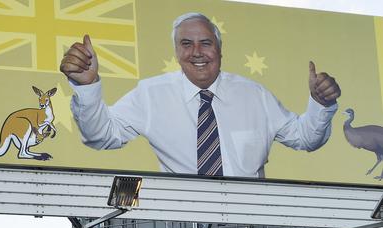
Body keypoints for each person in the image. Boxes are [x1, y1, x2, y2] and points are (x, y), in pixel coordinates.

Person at [59, 12, 341, 178]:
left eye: (205, 43)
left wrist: (321, 103)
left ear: (219, 50)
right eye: (186, 44)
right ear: (177, 53)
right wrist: (88, 86)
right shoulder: (151, 95)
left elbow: (305, 138)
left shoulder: (255, 95)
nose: (197, 52)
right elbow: (101, 136)